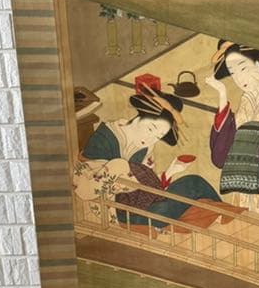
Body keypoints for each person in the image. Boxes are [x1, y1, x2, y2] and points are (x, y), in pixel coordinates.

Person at [74, 85, 230, 231]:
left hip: (144, 201)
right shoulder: (105, 137)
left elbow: (151, 184)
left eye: (158, 136)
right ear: (138, 117)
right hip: (120, 210)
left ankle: (227, 216)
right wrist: (120, 170)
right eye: (151, 128)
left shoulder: (146, 147)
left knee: (195, 181)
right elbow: (84, 189)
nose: (150, 139)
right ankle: (213, 215)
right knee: (163, 211)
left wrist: (171, 171)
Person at [206, 40, 259, 222]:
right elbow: (221, 156)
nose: (239, 78)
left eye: (243, 68)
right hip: (244, 186)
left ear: (257, 64)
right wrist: (222, 95)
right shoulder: (247, 102)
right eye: (233, 72)